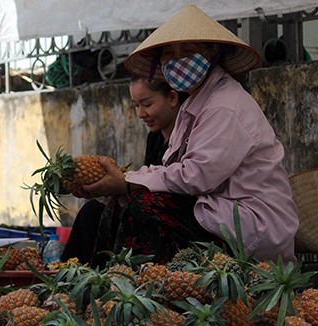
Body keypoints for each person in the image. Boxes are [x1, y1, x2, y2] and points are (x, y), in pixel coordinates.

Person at [83, 4, 298, 263]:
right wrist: (126, 185)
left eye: (188, 51)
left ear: (213, 53)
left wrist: (128, 181)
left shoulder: (225, 105)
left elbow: (196, 176)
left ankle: (154, 292)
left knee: (146, 207)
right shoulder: (195, 105)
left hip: (251, 225)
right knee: (109, 208)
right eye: (168, 54)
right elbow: (173, 171)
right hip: (220, 213)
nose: (178, 60)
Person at [61, 77, 187, 265]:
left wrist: (124, 185)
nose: (140, 114)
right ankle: (72, 272)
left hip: (178, 212)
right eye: (136, 106)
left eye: (147, 104)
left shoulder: (188, 138)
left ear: (172, 98)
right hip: (145, 201)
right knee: (92, 210)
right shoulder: (154, 138)